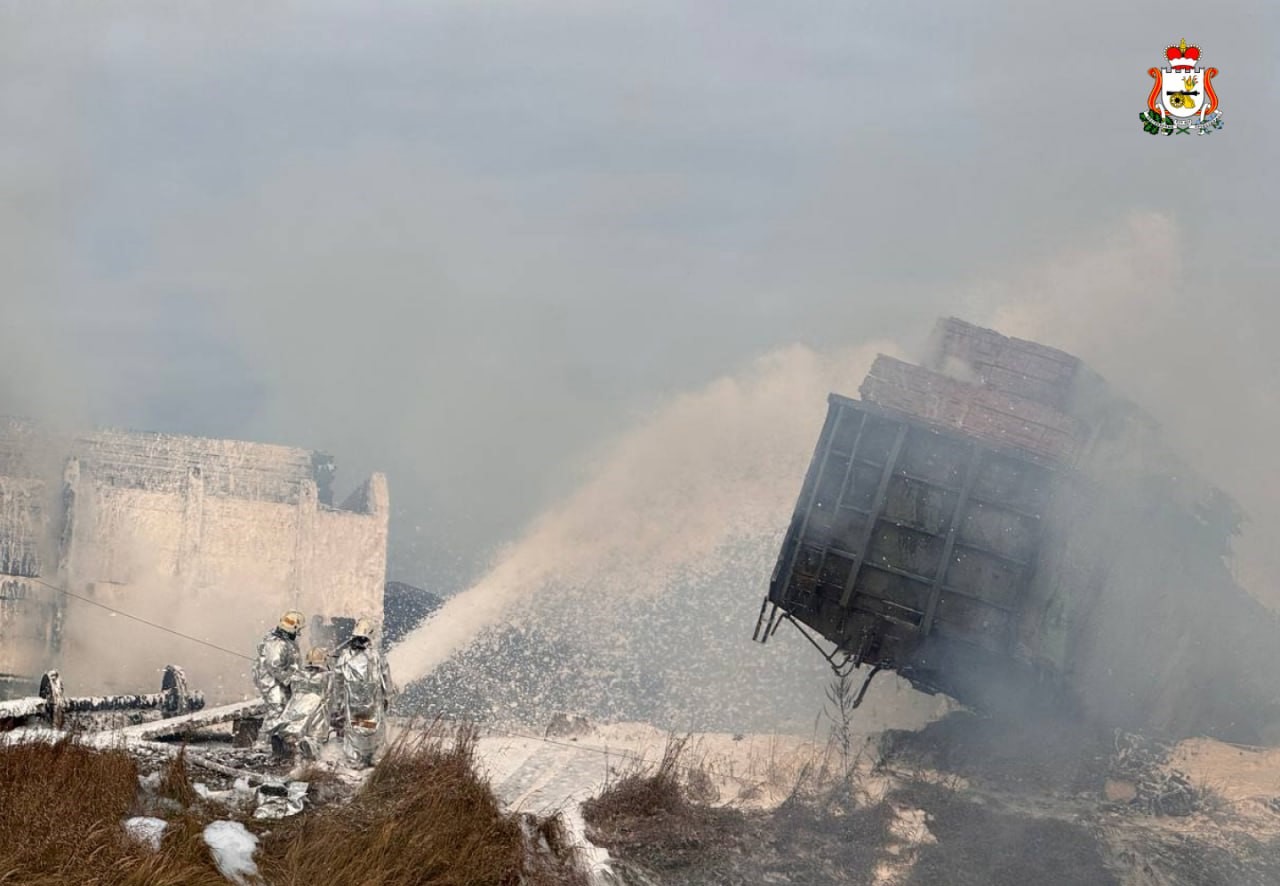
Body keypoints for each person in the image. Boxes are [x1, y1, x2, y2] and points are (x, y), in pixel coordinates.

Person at [332, 617, 395, 768]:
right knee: (375, 728)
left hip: (352, 702)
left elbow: (338, 680)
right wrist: (388, 697)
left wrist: (338, 703)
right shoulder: (376, 656)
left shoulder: (345, 656)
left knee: (353, 728)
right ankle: (376, 758)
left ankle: (354, 759)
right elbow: (386, 678)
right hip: (373, 701)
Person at [252, 610, 304, 752]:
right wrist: (289, 679)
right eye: (298, 629)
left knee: (285, 708)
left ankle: (279, 743)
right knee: (277, 709)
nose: (299, 632)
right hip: (271, 681)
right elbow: (274, 667)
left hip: (279, 680)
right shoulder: (276, 643)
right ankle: (263, 743)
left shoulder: (286, 641)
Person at [272, 645, 334, 762]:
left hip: (296, 709)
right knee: (315, 733)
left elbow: (290, 684)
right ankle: (310, 747)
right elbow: (331, 692)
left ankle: (284, 740)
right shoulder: (327, 678)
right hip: (316, 712)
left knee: (291, 726)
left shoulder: (298, 676)